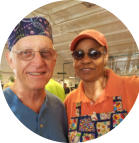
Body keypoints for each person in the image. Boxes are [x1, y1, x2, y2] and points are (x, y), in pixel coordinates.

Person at [64, 29, 139, 142]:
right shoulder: (70, 101)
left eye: (94, 53)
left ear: (105, 57)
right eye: (78, 54)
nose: (85, 60)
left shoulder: (133, 87)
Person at [3, 16, 68, 142]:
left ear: (54, 59)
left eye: (46, 52)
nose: (38, 63)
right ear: (10, 60)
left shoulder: (59, 108)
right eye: (26, 53)